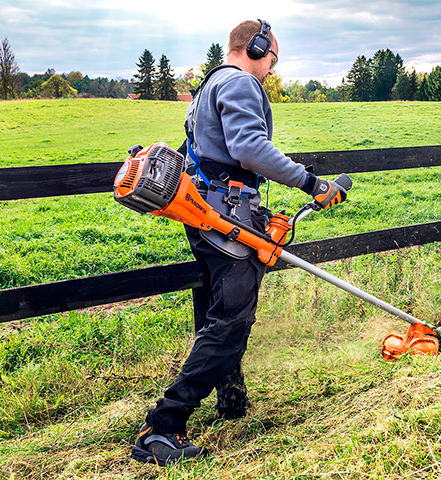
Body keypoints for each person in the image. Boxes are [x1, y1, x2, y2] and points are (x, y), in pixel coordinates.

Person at [131, 19, 346, 466]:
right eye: (272, 60)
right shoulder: (242, 83)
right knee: (230, 324)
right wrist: (312, 183)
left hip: (206, 217)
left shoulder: (209, 85)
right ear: (256, 47)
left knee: (224, 317)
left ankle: (231, 399)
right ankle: (163, 426)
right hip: (225, 221)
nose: (271, 70)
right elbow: (250, 149)